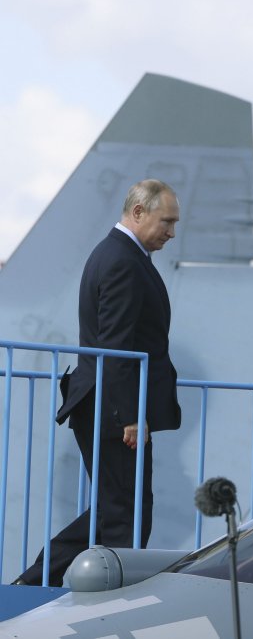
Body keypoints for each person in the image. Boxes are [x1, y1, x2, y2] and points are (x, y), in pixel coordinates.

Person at [14, 180, 182, 586]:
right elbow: (115, 346)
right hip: (111, 409)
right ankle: (108, 601)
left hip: (106, 404)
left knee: (117, 510)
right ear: (138, 212)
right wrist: (129, 415)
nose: (171, 232)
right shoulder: (123, 259)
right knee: (126, 513)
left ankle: (33, 582)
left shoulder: (123, 254)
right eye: (167, 221)